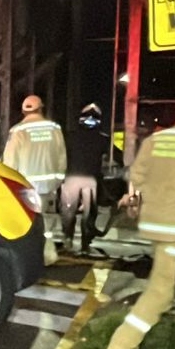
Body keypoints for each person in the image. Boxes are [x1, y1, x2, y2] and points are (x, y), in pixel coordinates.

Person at [104, 101, 175, 349]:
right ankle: (122, 347)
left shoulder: (155, 140)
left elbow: (136, 175)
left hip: (158, 221)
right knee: (161, 291)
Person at [2, 94, 67, 264]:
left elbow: (10, 162)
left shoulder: (18, 131)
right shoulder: (54, 128)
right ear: (41, 108)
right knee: (46, 222)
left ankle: (29, 257)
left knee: (26, 223)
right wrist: (57, 181)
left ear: (23, 111)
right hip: (48, 187)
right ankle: (48, 255)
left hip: (27, 187)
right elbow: (62, 158)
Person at [60, 103, 111, 255]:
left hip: (71, 178)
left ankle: (67, 240)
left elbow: (61, 156)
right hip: (91, 179)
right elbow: (117, 157)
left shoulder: (69, 136)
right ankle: (85, 244)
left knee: (68, 211)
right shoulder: (103, 139)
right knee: (89, 213)